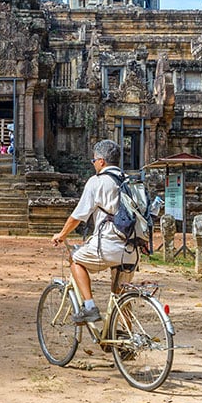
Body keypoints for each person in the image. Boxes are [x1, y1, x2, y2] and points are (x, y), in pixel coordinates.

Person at [50, 139, 137, 324]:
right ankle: (125, 343)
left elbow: (78, 216)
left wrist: (62, 234)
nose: (93, 164)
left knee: (74, 259)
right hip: (132, 249)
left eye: (93, 161)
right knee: (121, 297)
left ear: (102, 161)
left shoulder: (97, 182)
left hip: (108, 246)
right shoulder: (130, 180)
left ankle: (89, 307)